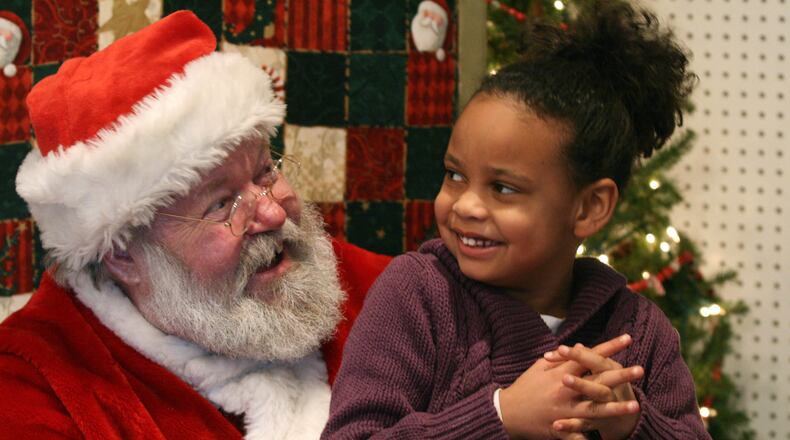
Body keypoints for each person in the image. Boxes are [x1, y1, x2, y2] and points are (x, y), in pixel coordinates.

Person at [322, 1, 710, 439]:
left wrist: (633, 424)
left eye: (503, 188)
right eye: (455, 175)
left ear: (589, 207)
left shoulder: (638, 331)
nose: (466, 205)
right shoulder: (418, 296)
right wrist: (500, 414)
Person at [0, 10, 391, 439]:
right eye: (221, 204)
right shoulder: (32, 388)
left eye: (265, 172)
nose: (274, 212)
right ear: (124, 254)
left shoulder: (380, 289)